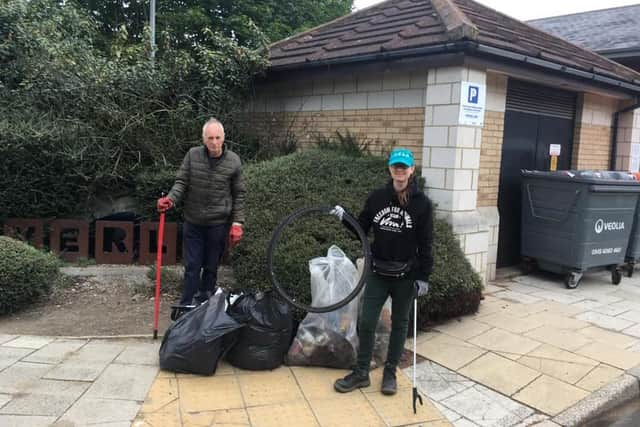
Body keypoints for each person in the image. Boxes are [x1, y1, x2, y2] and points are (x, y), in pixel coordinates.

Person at [331, 147, 433, 396]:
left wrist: (423, 276)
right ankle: (361, 372)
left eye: (404, 167)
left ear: (412, 170)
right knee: (366, 322)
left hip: (406, 275)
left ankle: (390, 373)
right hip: (378, 271)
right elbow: (361, 230)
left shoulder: (422, 204)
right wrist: (346, 218)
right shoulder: (377, 198)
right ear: (390, 169)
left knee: (400, 324)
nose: (400, 170)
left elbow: (426, 241)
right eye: (395, 166)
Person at [157, 118, 246, 306]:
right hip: (193, 222)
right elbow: (182, 182)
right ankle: (186, 305)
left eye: (217, 138)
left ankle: (205, 303)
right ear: (203, 139)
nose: (214, 142)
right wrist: (170, 199)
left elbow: (239, 194)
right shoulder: (193, 155)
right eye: (210, 138)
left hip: (218, 224)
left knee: (211, 267)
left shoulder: (234, 161)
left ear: (223, 138)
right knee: (192, 266)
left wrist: (238, 223)